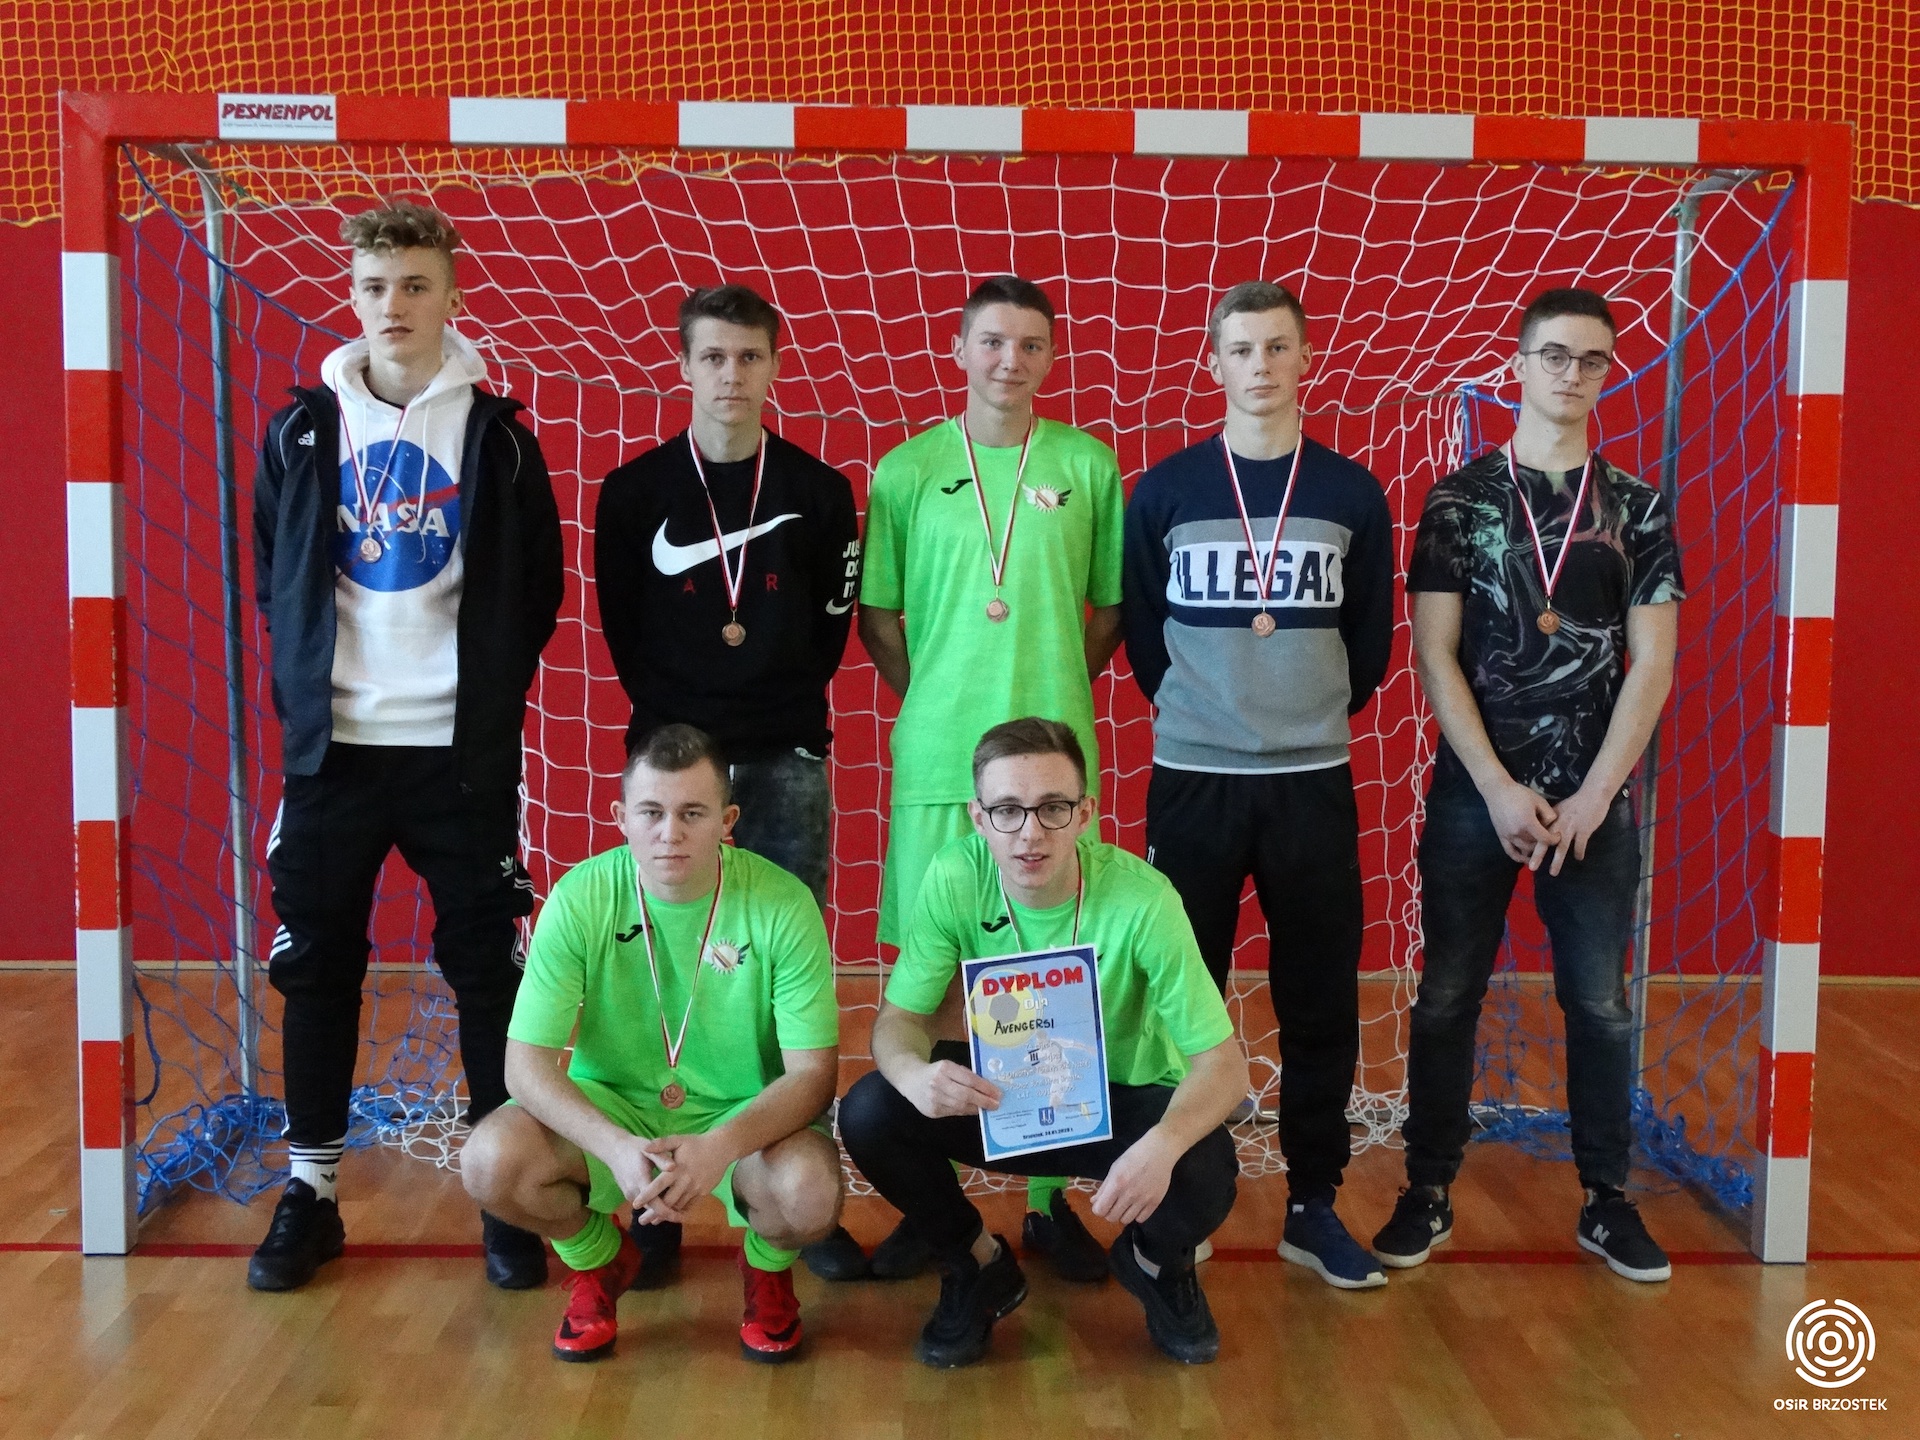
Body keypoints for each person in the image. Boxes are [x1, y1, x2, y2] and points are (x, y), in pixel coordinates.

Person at [247, 199, 563, 1293]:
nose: (395, 305)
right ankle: (311, 1192)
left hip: (455, 756)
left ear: (451, 297)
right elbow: (276, 575)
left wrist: (477, 698)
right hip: (333, 753)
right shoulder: (300, 431)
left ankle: (502, 1188)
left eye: (417, 285)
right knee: (318, 966)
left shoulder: (498, 438)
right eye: (377, 286)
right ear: (353, 295)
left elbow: (535, 590)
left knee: (485, 970)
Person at [1374, 287, 1683, 1283]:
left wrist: (1594, 796)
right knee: (1446, 995)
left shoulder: (1638, 506)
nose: (1571, 374)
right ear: (1517, 364)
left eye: (1592, 360)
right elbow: (1435, 654)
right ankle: (1427, 1188)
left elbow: (1653, 662)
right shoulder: (1458, 500)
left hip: (1595, 801)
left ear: (1607, 373)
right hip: (1480, 794)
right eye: (1554, 354)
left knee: (1599, 1005)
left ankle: (1606, 1199)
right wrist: (1499, 787)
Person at [844, 275, 1128, 1285]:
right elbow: (879, 616)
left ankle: (1049, 1203)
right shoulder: (906, 470)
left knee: (1054, 979)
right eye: (993, 342)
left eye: (1031, 345)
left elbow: (1108, 610)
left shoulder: (1089, 466)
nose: (1011, 361)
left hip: (1049, 767)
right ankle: (937, 1209)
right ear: (959, 349)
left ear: (1051, 357)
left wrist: (1050, 690)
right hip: (936, 764)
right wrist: (937, 696)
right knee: (931, 987)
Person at [1121, 280, 1395, 1289]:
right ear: (1215, 364)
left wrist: (1298, 713)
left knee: (1318, 997)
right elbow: (1145, 636)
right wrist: (1211, 710)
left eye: (1278, 346)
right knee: (1178, 995)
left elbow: (1370, 642)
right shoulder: (1167, 489)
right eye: (1241, 349)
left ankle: (1312, 1205)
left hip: (1310, 780)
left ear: (1306, 357)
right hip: (1194, 780)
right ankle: (1183, 1201)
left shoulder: (1351, 492)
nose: (1261, 365)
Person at [594, 284, 860, 1284]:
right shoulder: (634, 492)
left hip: (786, 756)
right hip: (675, 764)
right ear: (685, 366)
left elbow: (829, 630)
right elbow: (624, 631)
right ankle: (656, 1195)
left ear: (775, 366)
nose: (732, 375)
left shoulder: (820, 489)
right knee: (666, 978)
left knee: (785, 977)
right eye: (713, 357)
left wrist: (764, 704)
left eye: (750, 357)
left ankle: (787, 1196)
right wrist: (689, 735)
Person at [838, 718, 1247, 1367]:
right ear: (979, 817)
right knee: (870, 1110)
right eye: (1007, 810)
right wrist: (915, 1075)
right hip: (1001, 1096)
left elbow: (1224, 1067)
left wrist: (1164, 1145)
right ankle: (975, 1262)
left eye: (1053, 807)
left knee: (1206, 1162)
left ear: (1084, 813)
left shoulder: (1144, 899)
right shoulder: (955, 876)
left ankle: (1156, 1262)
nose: (1030, 832)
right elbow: (896, 1023)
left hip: (1115, 1101)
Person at [460, 724, 844, 1362]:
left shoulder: (783, 903)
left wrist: (720, 1146)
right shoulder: (581, 897)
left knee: (812, 1194)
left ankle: (767, 1271)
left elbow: (813, 1076)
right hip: (615, 1108)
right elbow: (523, 1066)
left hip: (738, 1115)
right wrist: (613, 1144)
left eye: (693, 813)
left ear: (728, 821)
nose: (670, 833)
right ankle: (599, 1261)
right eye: (652, 812)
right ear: (621, 819)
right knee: (489, 1159)